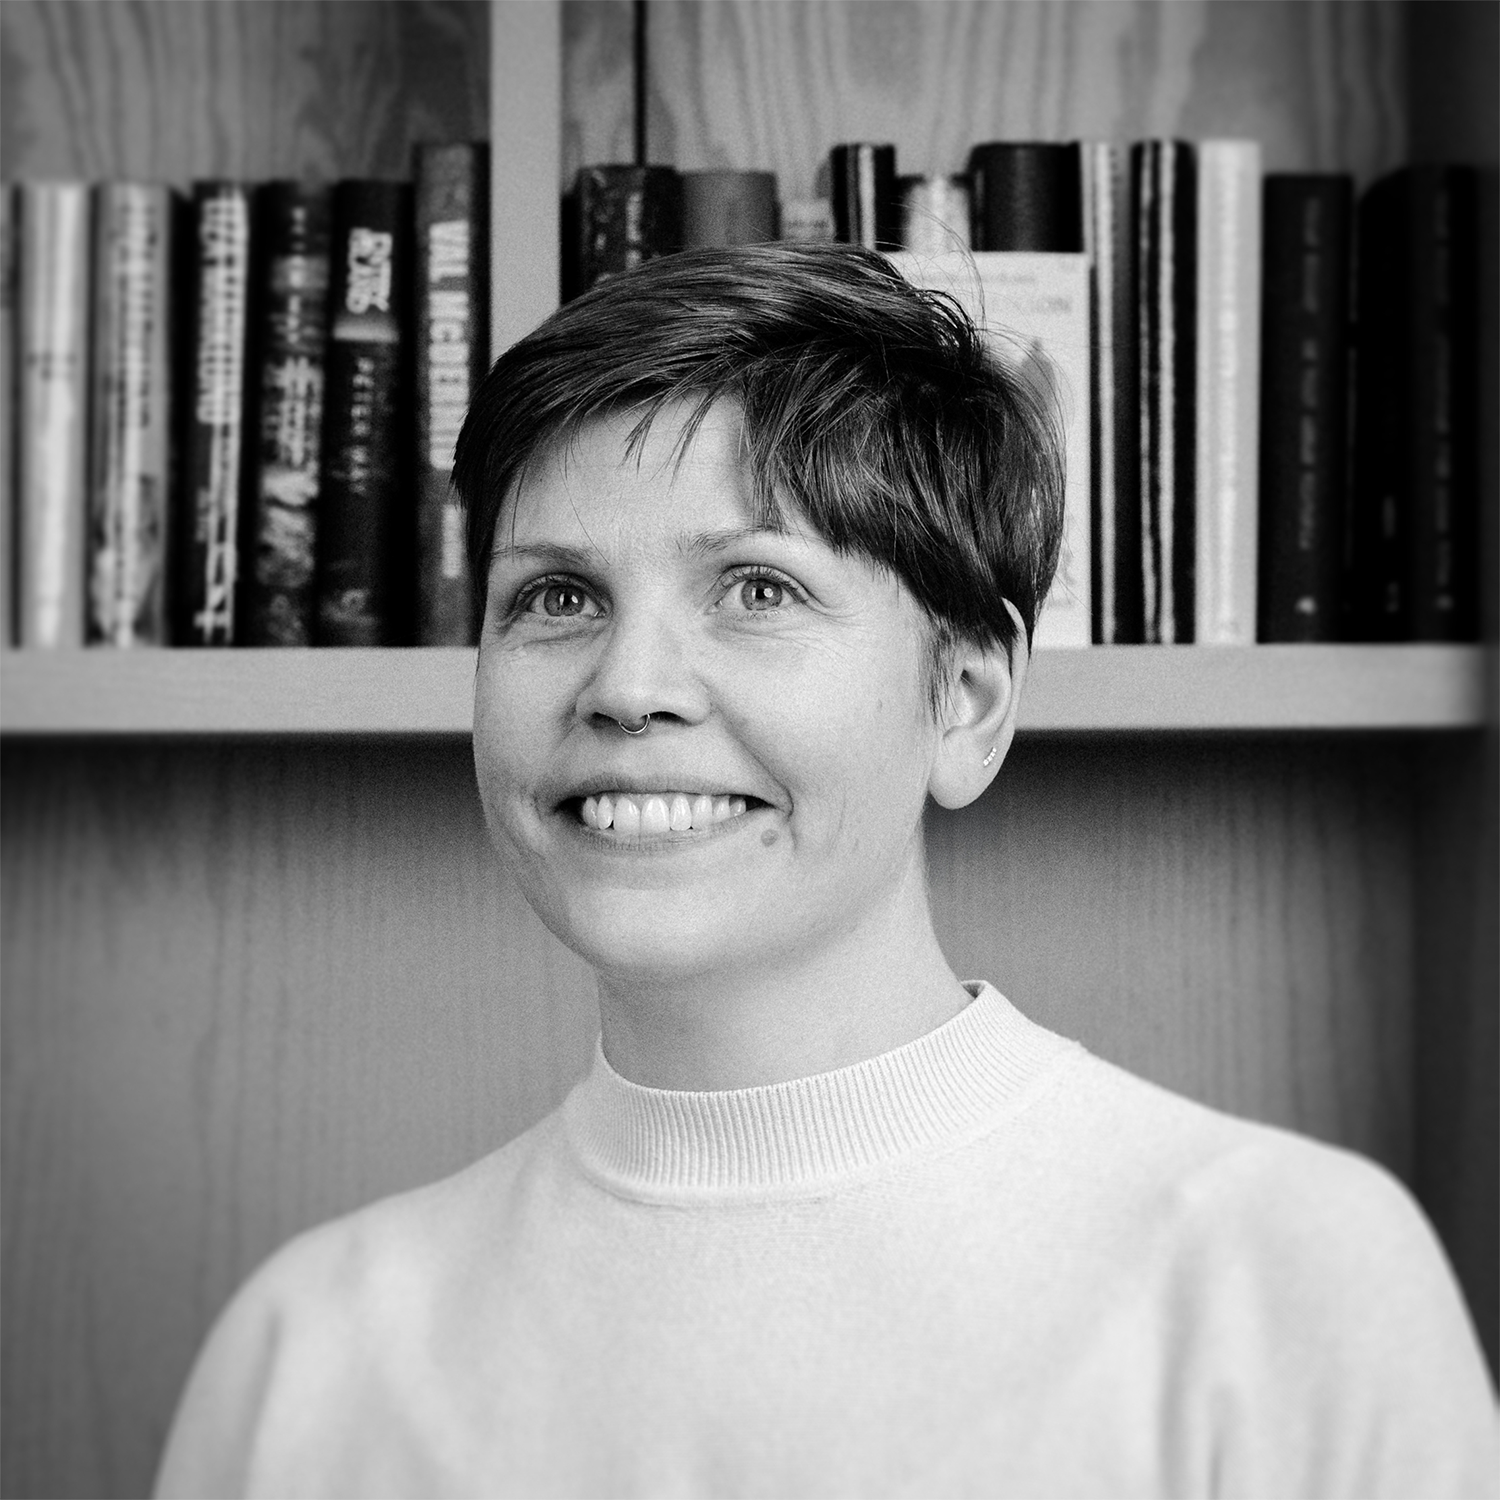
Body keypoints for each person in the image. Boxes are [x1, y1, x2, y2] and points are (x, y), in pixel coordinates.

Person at [154, 245, 1498, 1499]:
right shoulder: (304, 1355)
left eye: (758, 588)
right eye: (556, 597)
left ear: (967, 698)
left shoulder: (1282, 1280)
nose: (628, 688)